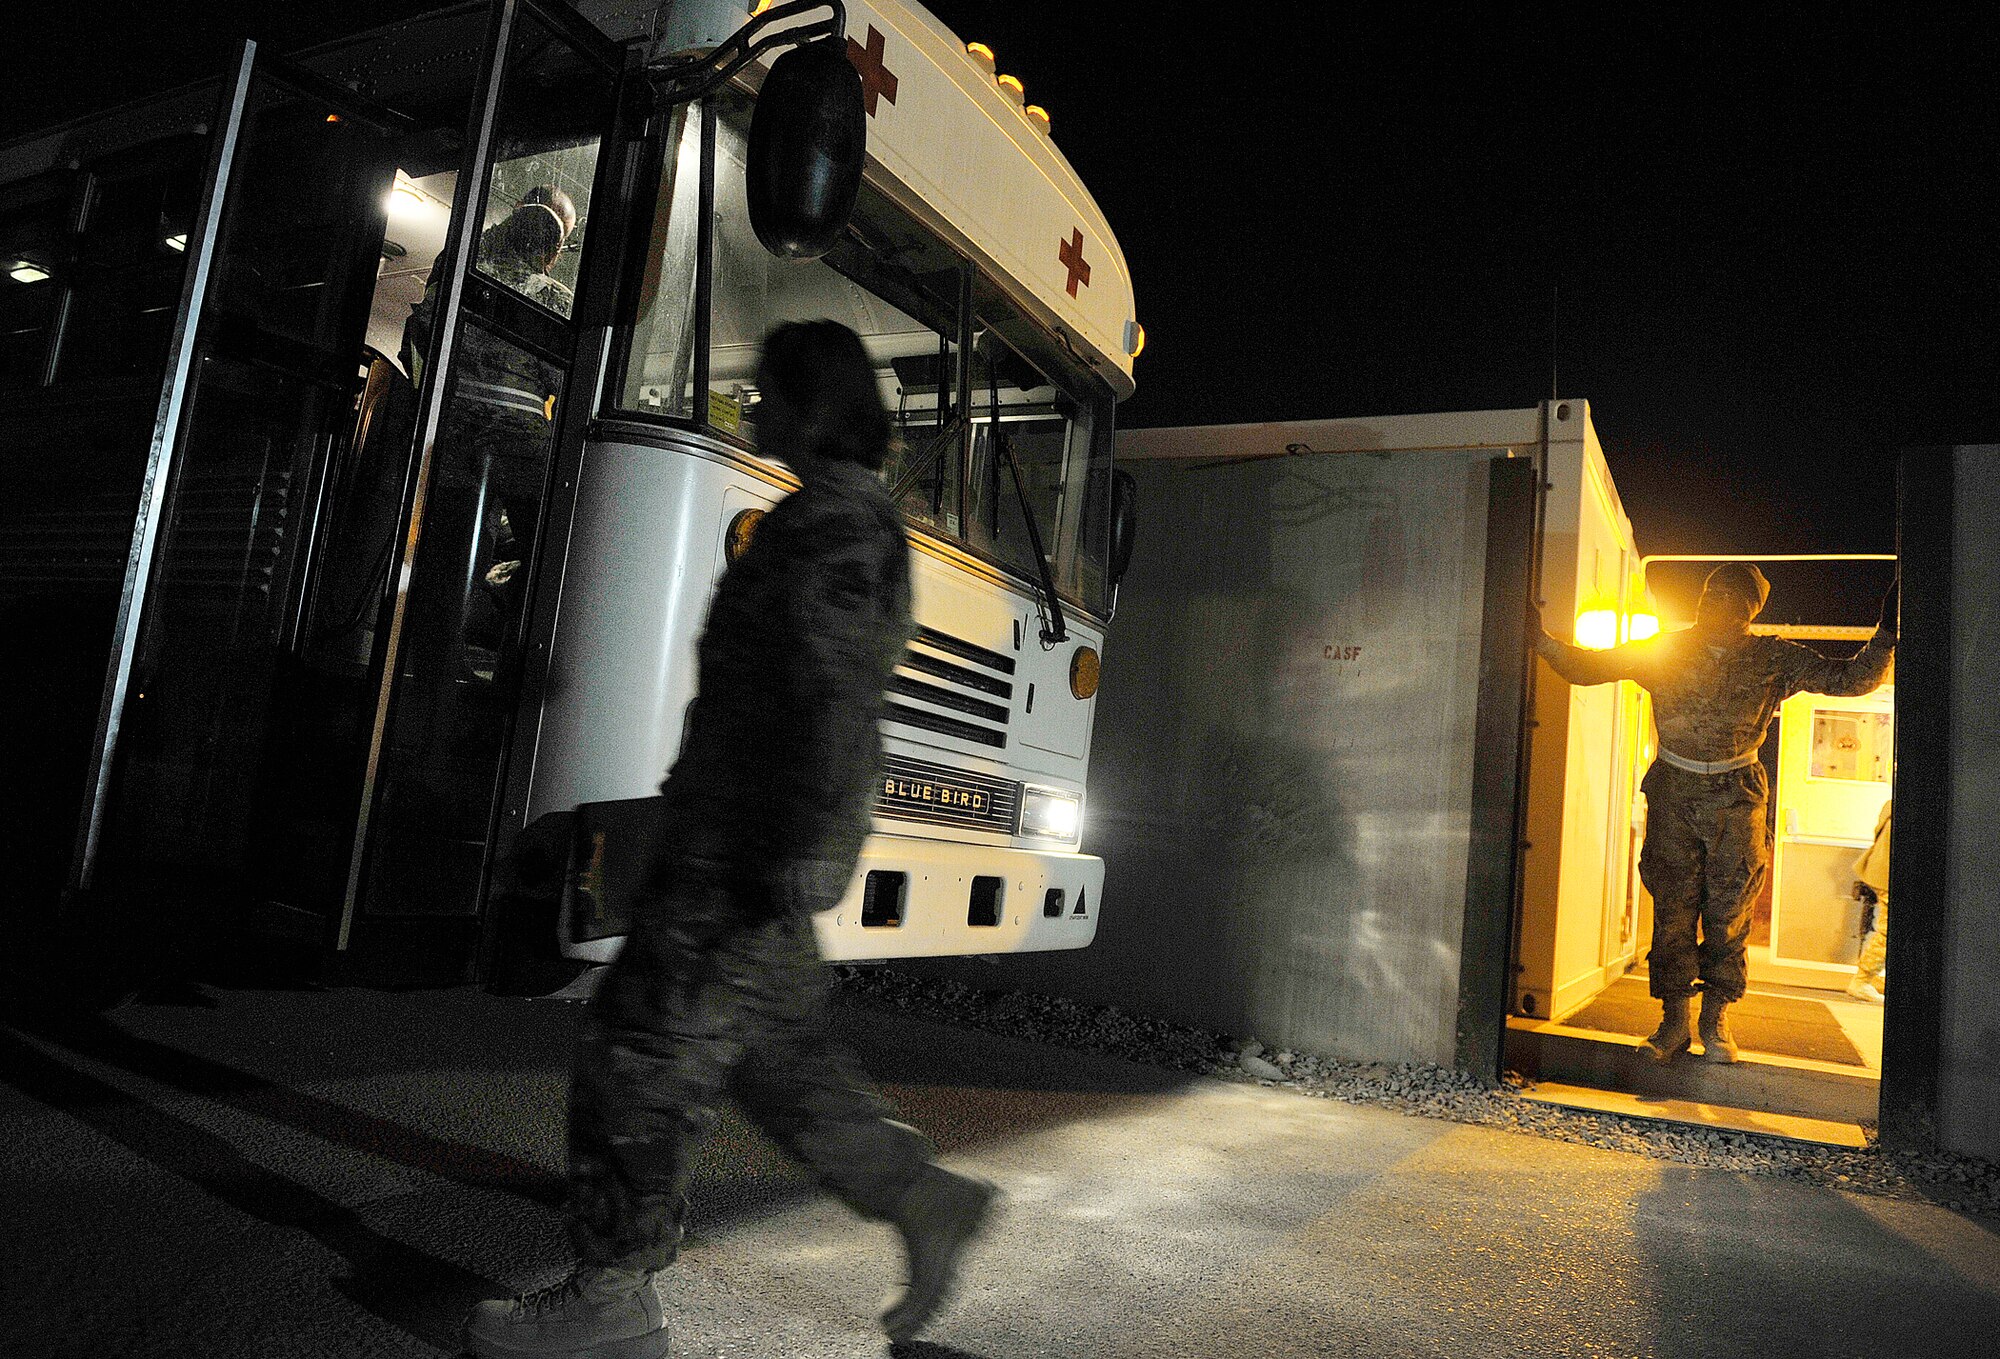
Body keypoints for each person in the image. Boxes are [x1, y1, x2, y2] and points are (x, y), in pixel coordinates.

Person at [464, 321, 998, 1359]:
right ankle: (919, 1197)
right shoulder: (827, 518)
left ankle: (610, 1300)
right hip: (737, 840)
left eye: (767, 394)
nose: (753, 409)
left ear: (814, 404)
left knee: (639, 1054)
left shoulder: (836, 528)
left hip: (745, 856)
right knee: (776, 1060)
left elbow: (834, 691)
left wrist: (810, 839)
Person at [1530, 563, 1896, 1065]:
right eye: (1709, 592)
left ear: (1751, 608)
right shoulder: (1666, 649)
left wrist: (1886, 635)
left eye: (1729, 595)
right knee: (1674, 912)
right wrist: (1543, 641)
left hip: (1736, 796)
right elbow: (1588, 668)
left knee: (1729, 915)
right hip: (1675, 792)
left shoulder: (1773, 656)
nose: (1713, 602)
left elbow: (1849, 681)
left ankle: (1716, 1019)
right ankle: (1674, 1022)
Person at [1847, 799, 1892, 1003]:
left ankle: (1867, 977)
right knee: (1888, 931)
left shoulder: (1891, 804)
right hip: (1886, 874)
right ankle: (1862, 981)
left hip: (1879, 871)